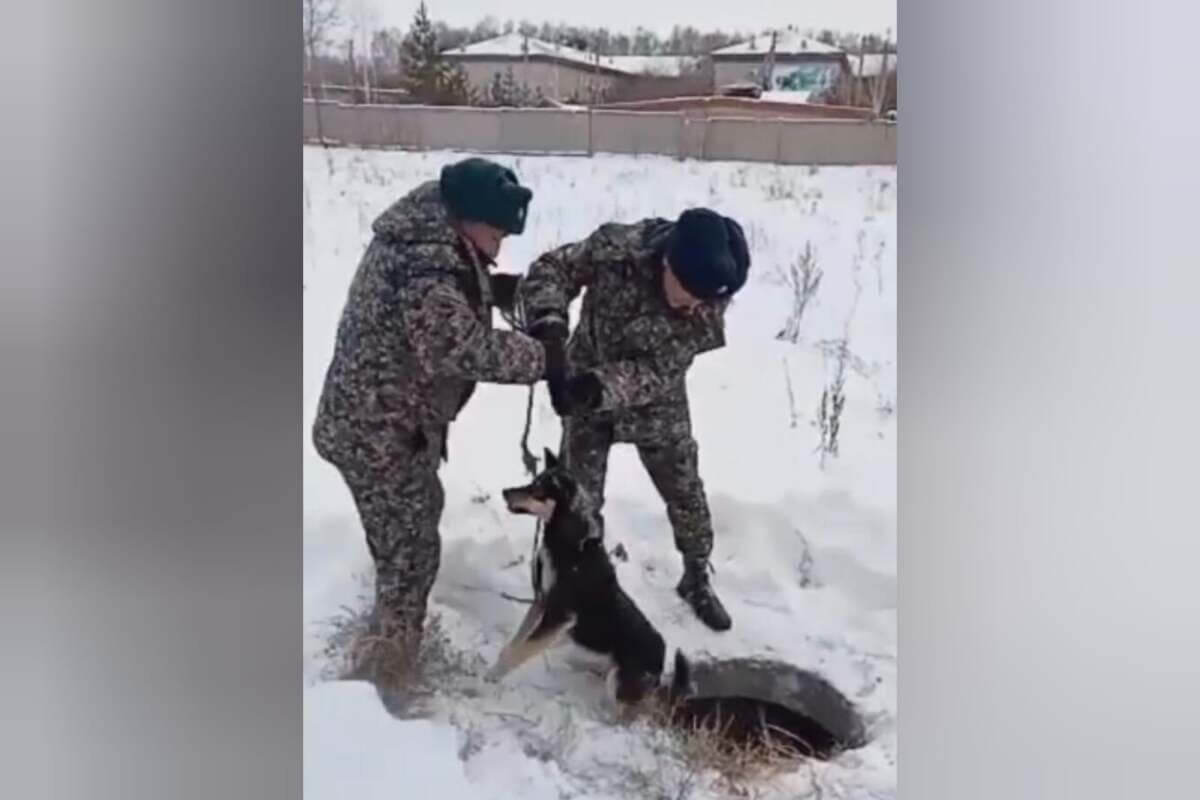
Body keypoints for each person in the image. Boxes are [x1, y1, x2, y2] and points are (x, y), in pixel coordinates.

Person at [311, 157, 564, 672]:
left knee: (412, 526)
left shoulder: (432, 231)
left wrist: (495, 290)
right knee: (410, 552)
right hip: (375, 431)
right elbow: (458, 347)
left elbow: (457, 289)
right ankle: (386, 670)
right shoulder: (425, 265)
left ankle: (391, 638)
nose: (498, 248)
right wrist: (548, 360)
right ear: (468, 221)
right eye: (495, 235)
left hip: (386, 422)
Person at [519, 208, 751, 632]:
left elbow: (657, 372)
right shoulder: (615, 249)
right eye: (687, 292)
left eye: (705, 300)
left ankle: (697, 575)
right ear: (667, 261)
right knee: (580, 502)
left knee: (685, 491)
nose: (693, 306)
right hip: (584, 394)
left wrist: (596, 387)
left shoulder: (706, 305)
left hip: (655, 403)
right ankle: (578, 586)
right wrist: (550, 327)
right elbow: (554, 269)